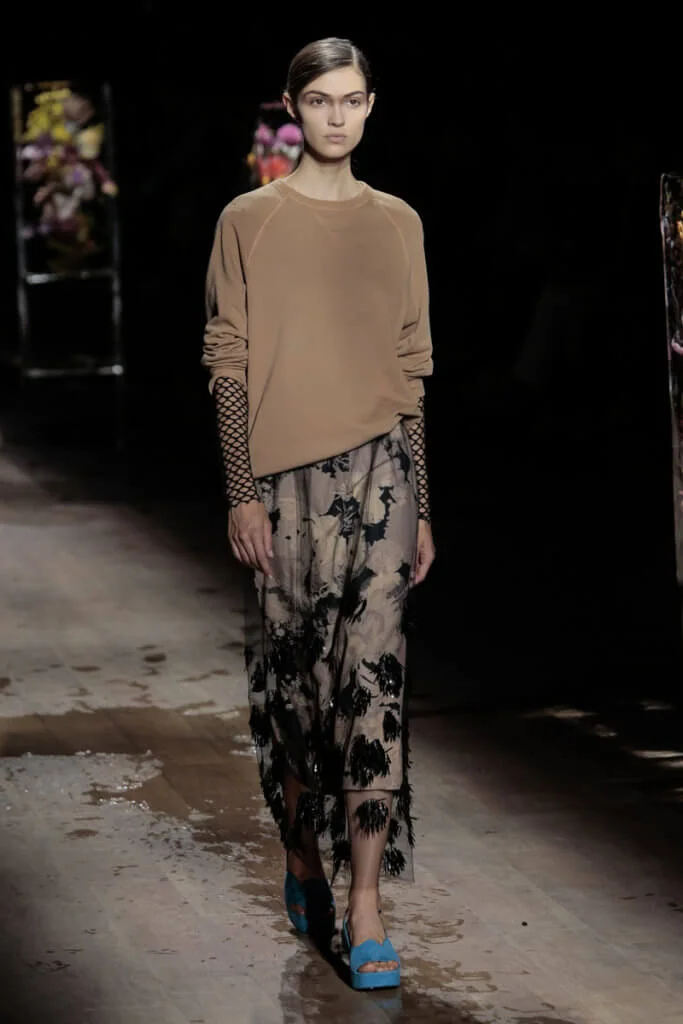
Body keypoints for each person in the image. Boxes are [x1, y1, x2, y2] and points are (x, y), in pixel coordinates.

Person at [202, 36, 435, 991]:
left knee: (373, 679)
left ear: (371, 105)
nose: (336, 116)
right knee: (297, 692)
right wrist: (240, 489)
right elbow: (227, 361)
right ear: (293, 107)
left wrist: (423, 505)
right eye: (319, 100)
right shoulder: (247, 220)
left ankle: (367, 904)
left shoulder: (398, 222)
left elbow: (411, 370)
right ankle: (303, 858)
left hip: (382, 474)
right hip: (284, 483)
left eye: (351, 99)